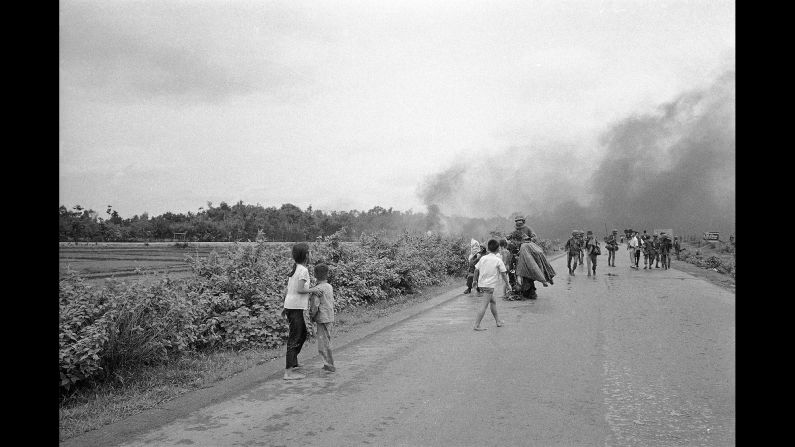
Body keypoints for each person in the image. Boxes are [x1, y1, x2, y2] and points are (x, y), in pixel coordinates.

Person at [282, 242, 314, 380]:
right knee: (295, 337)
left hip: (292, 306)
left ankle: (293, 363)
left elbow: (288, 289)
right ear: (306, 255)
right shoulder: (303, 270)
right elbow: (300, 289)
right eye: (309, 252)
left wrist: (284, 307)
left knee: (302, 334)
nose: (311, 254)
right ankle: (288, 372)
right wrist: (315, 290)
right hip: (295, 307)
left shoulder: (296, 268)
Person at [472, 239, 507, 331]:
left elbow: (476, 270)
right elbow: (503, 273)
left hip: (482, 285)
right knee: (484, 305)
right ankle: (477, 325)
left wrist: (474, 281)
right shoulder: (498, 260)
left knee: (493, 301)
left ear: (488, 248)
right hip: (489, 286)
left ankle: (498, 321)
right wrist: (508, 284)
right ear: (498, 249)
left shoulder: (483, 258)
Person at [308, 263, 335, 372]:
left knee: (323, 343)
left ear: (314, 274)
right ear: (327, 274)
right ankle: (329, 363)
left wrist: (311, 316)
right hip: (330, 316)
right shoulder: (329, 287)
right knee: (327, 340)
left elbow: (315, 306)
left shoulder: (317, 290)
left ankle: (328, 365)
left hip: (322, 318)